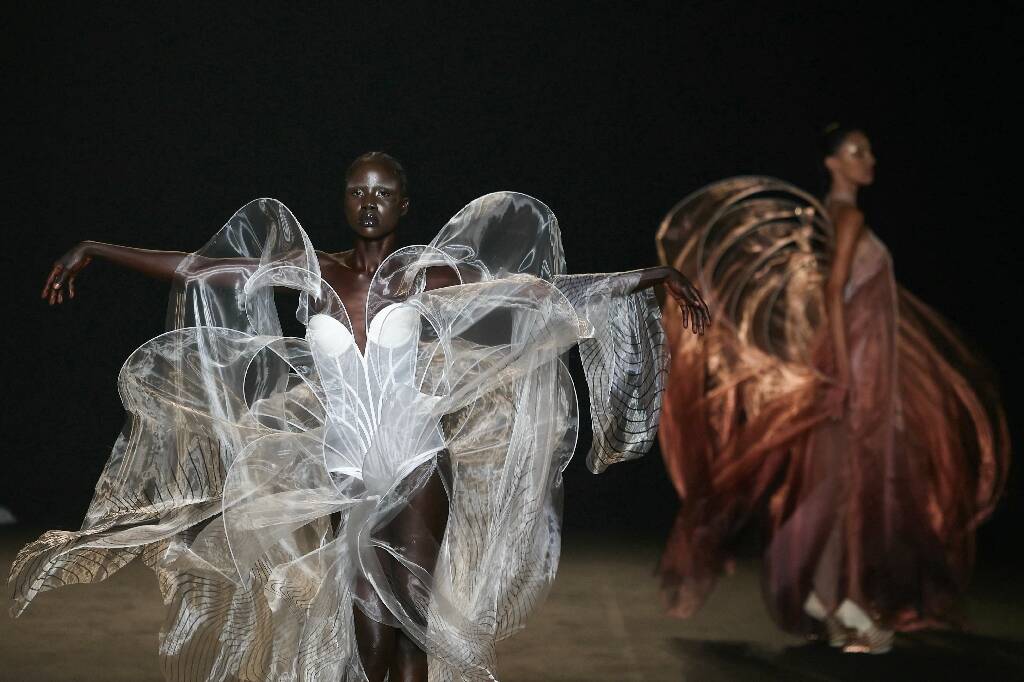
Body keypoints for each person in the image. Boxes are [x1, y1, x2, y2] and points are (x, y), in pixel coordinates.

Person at [13, 152, 709, 681]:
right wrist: (100, 250)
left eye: (382, 193)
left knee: (409, 608)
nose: (370, 203)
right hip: (344, 469)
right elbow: (201, 267)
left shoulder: (423, 276)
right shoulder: (313, 270)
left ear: (403, 204)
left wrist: (647, 276)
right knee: (372, 640)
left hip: (414, 459)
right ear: (344, 202)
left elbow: (540, 289)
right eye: (358, 192)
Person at [654, 128, 1009, 654]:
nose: (869, 159)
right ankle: (845, 603)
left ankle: (829, 600)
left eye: (868, 150)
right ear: (831, 162)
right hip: (856, 372)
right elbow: (834, 296)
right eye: (855, 152)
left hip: (854, 366)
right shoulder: (847, 218)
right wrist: (842, 368)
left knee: (834, 493)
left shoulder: (825, 215)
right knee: (851, 494)